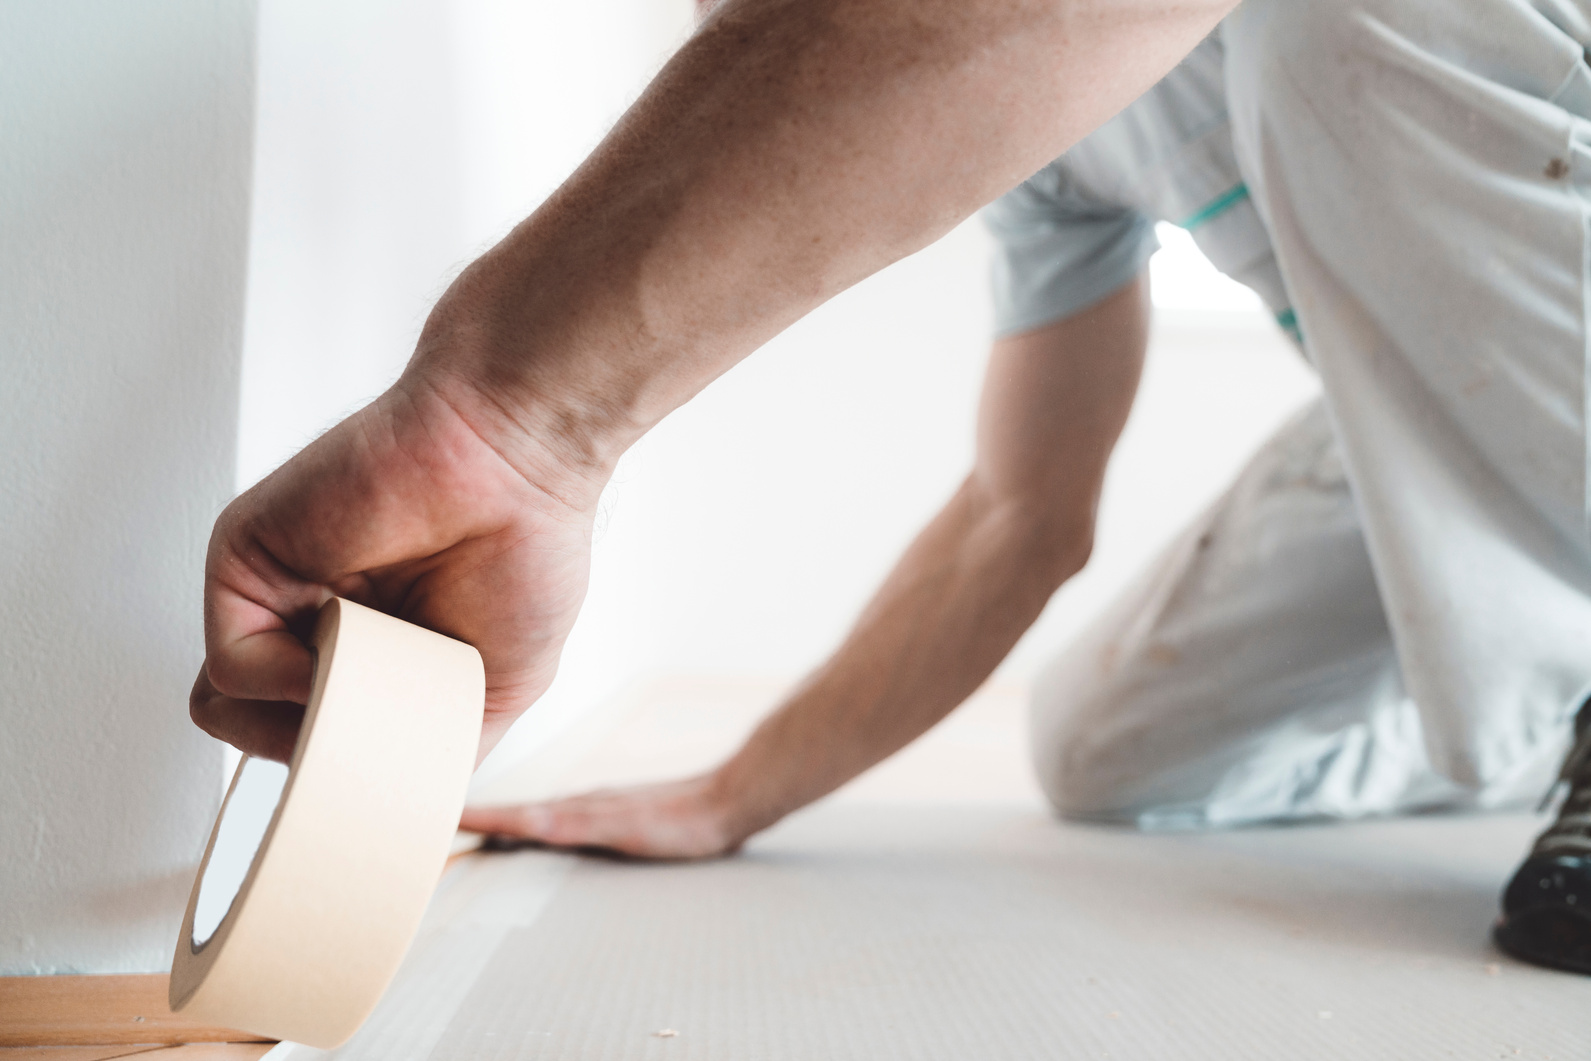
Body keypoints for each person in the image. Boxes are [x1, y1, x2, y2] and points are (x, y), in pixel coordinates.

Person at [192, 0, 1591, 975]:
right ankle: (1537, 700)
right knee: (1111, 751)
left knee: (1338, 20)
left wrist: (510, 417)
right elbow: (1021, 512)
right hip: (1462, 424)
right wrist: (735, 790)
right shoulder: (1048, 158)